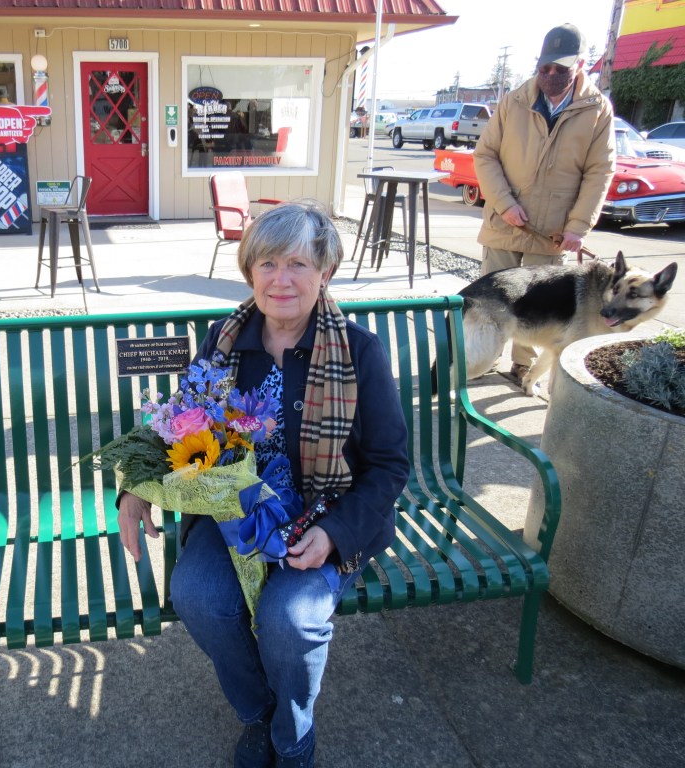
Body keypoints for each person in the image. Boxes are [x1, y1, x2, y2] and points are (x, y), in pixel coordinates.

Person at [117, 202, 409, 768]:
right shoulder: (224, 341)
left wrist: (335, 534)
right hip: (235, 511)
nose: (281, 279)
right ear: (249, 270)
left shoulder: (358, 351)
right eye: (268, 262)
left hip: (327, 514)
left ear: (325, 272)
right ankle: (260, 712)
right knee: (198, 595)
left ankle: (293, 738)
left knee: (289, 618)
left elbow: (389, 465)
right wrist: (136, 488)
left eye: (299, 264)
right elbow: (180, 420)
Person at [473, 23, 616, 383]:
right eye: (545, 68)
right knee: (490, 301)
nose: (550, 75)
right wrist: (504, 203)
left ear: (581, 66)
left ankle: (523, 368)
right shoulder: (514, 101)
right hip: (504, 222)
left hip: (552, 232)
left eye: (561, 69)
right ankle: (483, 358)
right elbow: (485, 155)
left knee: (541, 307)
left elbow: (600, 172)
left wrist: (578, 227)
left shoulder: (598, 110)